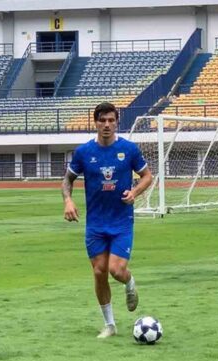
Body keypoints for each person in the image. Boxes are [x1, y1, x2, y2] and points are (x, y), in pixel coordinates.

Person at [62, 102, 153, 338]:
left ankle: (130, 282)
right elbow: (67, 180)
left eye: (111, 120)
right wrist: (68, 201)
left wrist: (134, 192)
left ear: (116, 122)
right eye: (102, 120)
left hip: (121, 221)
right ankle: (110, 325)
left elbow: (147, 176)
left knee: (116, 269)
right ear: (95, 122)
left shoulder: (129, 149)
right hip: (95, 224)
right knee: (99, 272)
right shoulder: (83, 152)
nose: (107, 125)